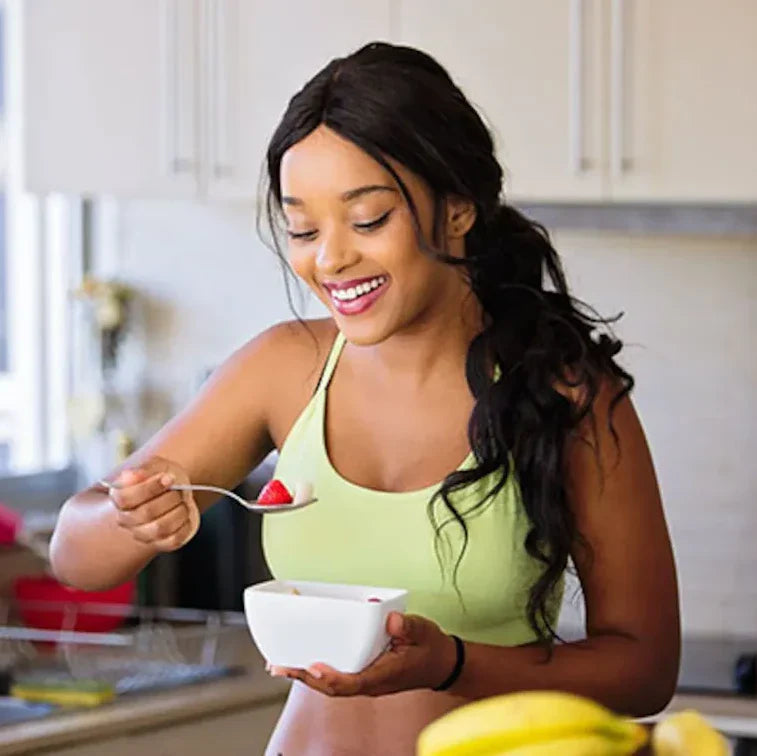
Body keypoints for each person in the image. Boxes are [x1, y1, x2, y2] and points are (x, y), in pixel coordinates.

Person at [50, 42, 680, 755]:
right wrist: (133, 519)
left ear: (457, 209)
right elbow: (76, 557)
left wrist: (453, 664)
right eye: (303, 228)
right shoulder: (285, 367)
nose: (330, 259)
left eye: (368, 219)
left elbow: (645, 669)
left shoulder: (565, 393)